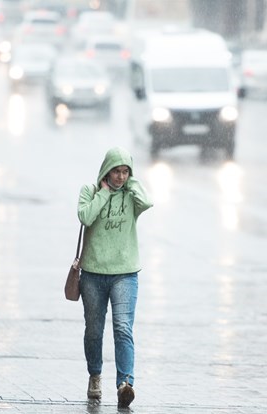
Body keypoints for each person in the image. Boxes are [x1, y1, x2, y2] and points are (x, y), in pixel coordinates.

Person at [76, 147, 152, 408]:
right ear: (106, 171)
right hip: (93, 274)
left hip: (125, 273)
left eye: (125, 172)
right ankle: (95, 375)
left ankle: (125, 384)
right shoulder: (90, 191)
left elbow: (147, 201)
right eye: (116, 171)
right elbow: (85, 216)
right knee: (94, 331)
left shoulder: (132, 196)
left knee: (122, 328)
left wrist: (131, 182)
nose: (120, 177)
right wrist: (105, 193)